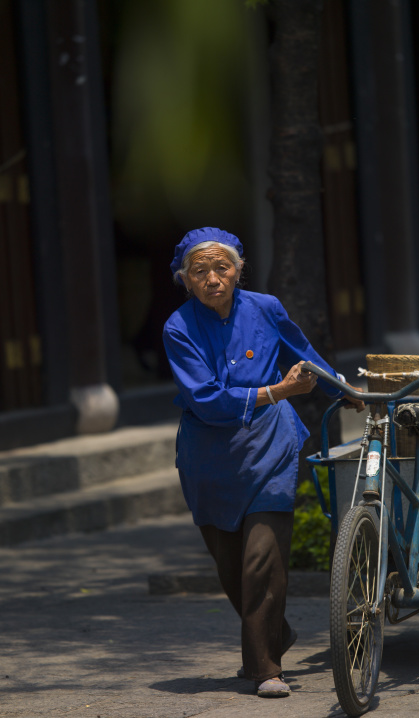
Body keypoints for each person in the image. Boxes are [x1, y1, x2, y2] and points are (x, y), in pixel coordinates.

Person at [162, 227, 364, 698]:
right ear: (185, 279)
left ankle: (264, 668)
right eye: (200, 271)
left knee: (261, 559)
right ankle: (277, 633)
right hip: (208, 458)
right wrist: (278, 390)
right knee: (230, 566)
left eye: (222, 267)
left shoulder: (267, 308)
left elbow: (304, 355)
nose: (213, 278)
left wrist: (345, 391)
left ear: (238, 269)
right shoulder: (178, 327)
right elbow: (207, 399)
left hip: (270, 446)